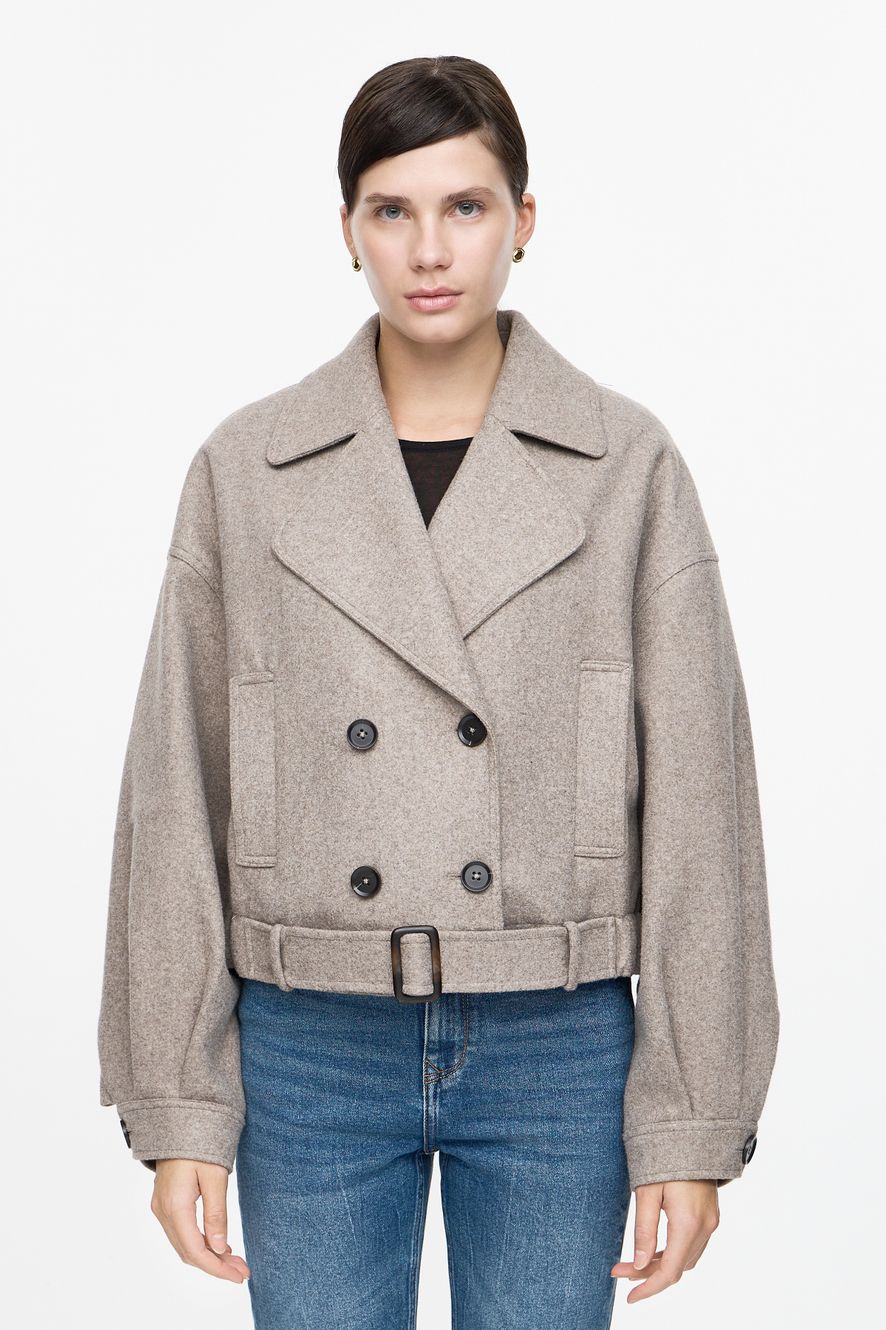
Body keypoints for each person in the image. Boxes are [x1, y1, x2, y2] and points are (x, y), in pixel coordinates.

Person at [97, 55, 780, 1329]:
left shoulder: (624, 466)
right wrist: (177, 1092)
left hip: (557, 1042)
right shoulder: (248, 471)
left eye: (465, 206)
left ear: (524, 219)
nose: (428, 249)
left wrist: (692, 1110)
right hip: (306, 1039)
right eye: (391, 210)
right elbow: (172, 790)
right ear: (345, 228)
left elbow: (702, 801)